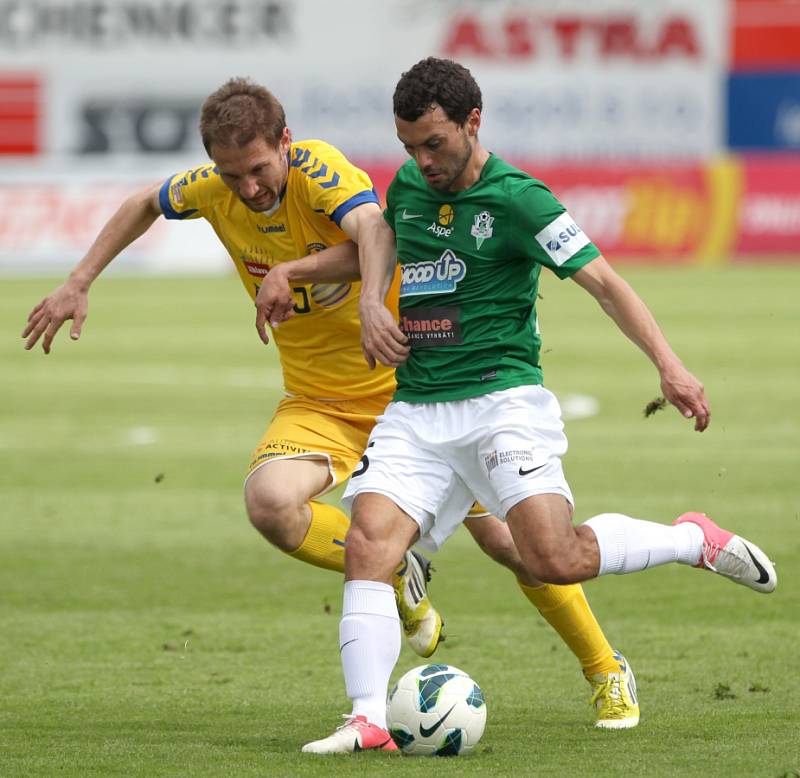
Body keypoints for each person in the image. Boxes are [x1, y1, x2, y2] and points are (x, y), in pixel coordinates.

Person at [21, 78, 638, 726]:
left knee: (513, 545)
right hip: (319, 401)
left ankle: (605, 670)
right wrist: (78, 281)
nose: (249, 188)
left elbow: (374, 227)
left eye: (259, 169)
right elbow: (143, 201)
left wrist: (362, 297)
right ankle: (401, 575)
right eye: (233, 176)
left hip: (415, 394)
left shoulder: (317, 168)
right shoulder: (210, 188)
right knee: (270, 504)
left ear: (284, 143)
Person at [301, 57, 777, 754]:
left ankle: (690, 540)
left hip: (502, 403)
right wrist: (367, 299)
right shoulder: (406, 186)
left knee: (551, 557)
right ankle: (368, 717)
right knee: (369, 545)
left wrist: (669, 366)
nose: (421, 161)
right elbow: (381, 241)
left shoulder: (520, 200)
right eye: (409, 146)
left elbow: (606, 284)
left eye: (433, 144)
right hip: (419, 407)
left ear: (473, 122)